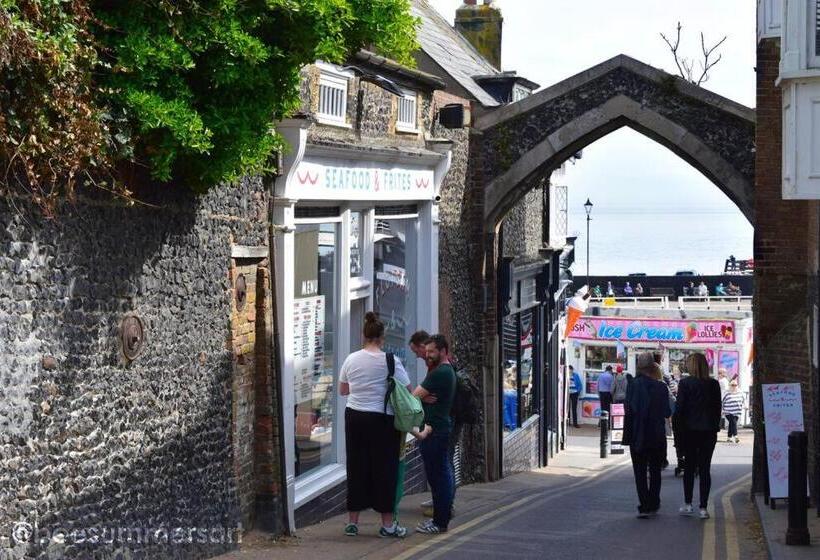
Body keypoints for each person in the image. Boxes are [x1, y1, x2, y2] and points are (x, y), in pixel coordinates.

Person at [339, 312, 412, 538]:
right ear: (382, 337)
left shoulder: (351, 359)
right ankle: (388, 526)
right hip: (382, 419)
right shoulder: (391, 361)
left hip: (355, 417)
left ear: (364, 335)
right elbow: (407, 391)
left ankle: (352, 523)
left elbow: (343, 390)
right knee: (384, 470)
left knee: (356, 467)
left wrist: (361, 387)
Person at [413, 334, 457, 534]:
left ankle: (440, 522)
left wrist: (420, 399)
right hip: (438, 429)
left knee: (439, 477)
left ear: (443, 351)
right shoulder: (443, 371)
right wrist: (423, 398)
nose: (427, 355)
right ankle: (440, 519)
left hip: (435, 431)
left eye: (432, 352)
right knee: (440, 475)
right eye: (427, 351)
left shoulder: (440, 373)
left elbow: (412, 397)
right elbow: (420, 396)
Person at [674, 353, 722, 520]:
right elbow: (718, 409)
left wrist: (677, 432)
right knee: (704, 469)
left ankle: (688, 504)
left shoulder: (685, 384)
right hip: (708, 432)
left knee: (689, 468)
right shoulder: (714, 384)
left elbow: (679, 410)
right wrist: (714, 428)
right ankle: (703, 508)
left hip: (689, 432)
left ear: (691, 366)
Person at [623, 352, 671, 518]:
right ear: (653, 367)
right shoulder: (661, 387)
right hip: (656, 435)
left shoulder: (633, 385)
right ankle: (654, 502)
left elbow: (628, 410)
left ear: (638, 367)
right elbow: (667, 412)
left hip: (638, 434)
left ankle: (644, 506)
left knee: (640, 471)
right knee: (656, 471)